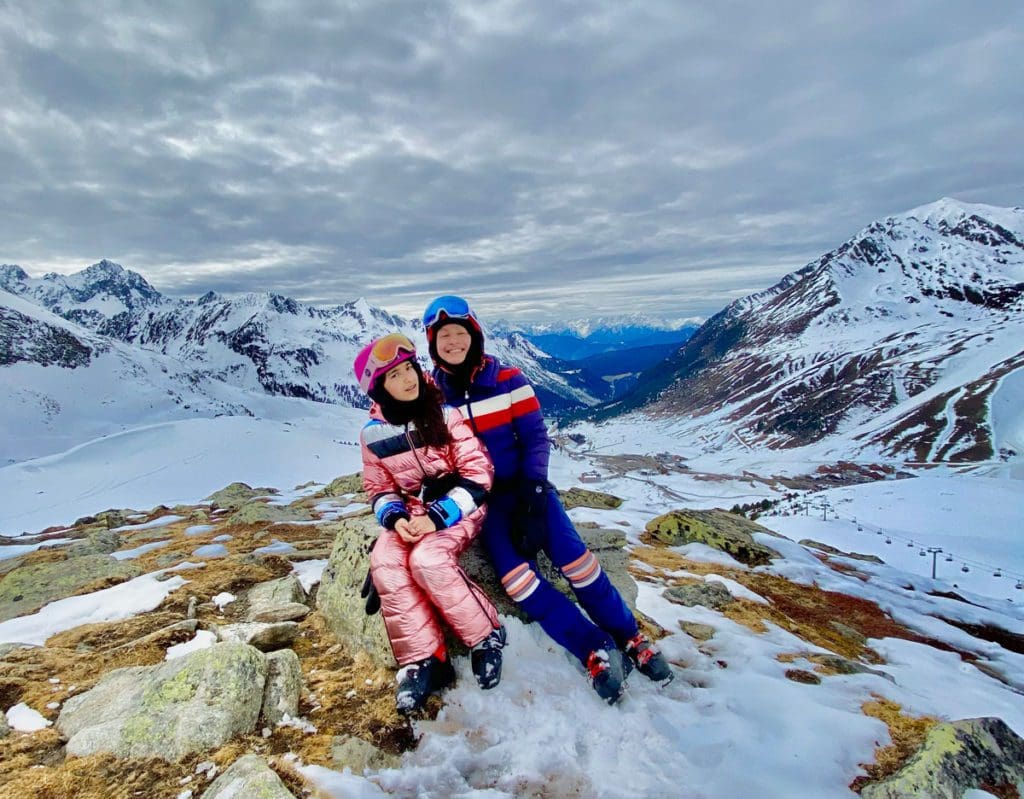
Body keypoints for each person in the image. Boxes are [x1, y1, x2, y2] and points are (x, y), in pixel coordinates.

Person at [422, 296, 673, 705]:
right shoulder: (433, 398)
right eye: (443, 336)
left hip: (526, 487)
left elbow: (535, 437)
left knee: (577, 562)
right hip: (482, 502)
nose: (453, 342)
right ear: (433, 344)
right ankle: (591, 647)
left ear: (474, 335)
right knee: (518, 581)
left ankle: (629, 635)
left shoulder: (507, 379)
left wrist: (535, 488)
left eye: (459, 333)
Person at [354, 332, 507, 715]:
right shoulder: (373, 435)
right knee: (387, 564)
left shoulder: (445, 414)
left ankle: (485, 636)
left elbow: (479, 473)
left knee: (427, 561)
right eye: (394, 376)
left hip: (459, 505)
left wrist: (440, 516)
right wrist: (394, 517)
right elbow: (379, 487)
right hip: (411, 512)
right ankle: (422, 658)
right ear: (379, 389)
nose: (407, 379)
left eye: (409, 369)